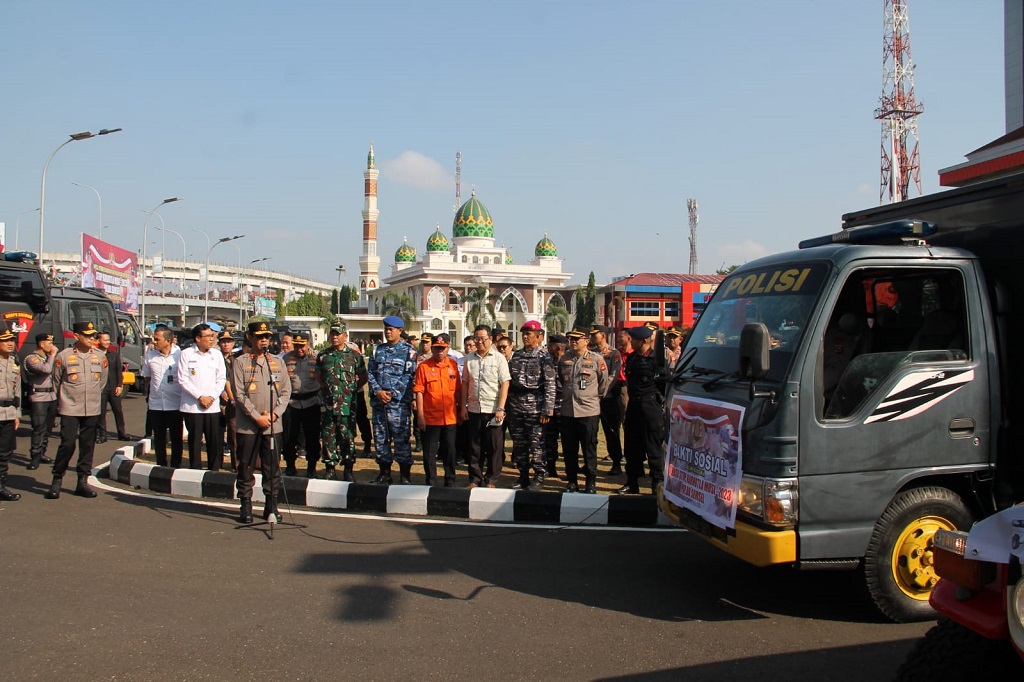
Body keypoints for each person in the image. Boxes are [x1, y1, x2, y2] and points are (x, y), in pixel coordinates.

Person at [232, 321, 291, 524]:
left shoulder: (277, 362)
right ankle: (246, 504)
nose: (264, 340)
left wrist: (274, 415)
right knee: (246, 465)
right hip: (249, 425)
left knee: (272, 467)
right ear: (250, 337)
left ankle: (271, 506)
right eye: (259, 336)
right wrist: (256, 416)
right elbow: (239, 394)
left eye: (266, 336)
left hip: (273, 425)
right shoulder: (240, 362)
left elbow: (285, 391)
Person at [45, 321, 107, 499]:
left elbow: (101, 383)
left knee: (87, 445)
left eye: (92, 335)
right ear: (76, 336)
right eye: (86, 335)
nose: (91, 339)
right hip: (70, 407)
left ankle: (82, 482)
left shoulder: (99, 357)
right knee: (68, 443)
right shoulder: (63, 357)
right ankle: (57, 479)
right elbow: (56, 382)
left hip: (92, 407)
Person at [367, 316, 418, 484]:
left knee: (401, 438)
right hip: (379, 403)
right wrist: (378, 391)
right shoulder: (377, 350)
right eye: (386, 329)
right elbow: (371, 373)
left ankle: (405, 475)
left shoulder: (408, 351)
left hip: (399, 404)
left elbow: (408, 375)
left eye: (391, 329)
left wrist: (392, 394)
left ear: (399, 331)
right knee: (380, 438)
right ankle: (384, 473)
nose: (388, 332)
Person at [506, 320, 556, 491]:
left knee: (536, 444)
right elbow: (510, 382)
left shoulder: (544, 357)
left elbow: (550, 384)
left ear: (539, 336)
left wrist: (547, 409)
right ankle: (523, 475)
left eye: (529, 334)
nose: (525, 337)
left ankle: (539, 475)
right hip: (517, 407)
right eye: (524, 334)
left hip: (536, 407)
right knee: (519, 444)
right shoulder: (517, 356)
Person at [560, 327, 610, 493]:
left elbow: (603, 384)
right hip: (568, 411)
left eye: (577, 339)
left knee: (589, 448)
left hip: (588, 411)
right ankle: (572, 481)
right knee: (569, 448)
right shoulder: (565, 359)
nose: (573, 342)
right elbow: (562, 380)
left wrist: (592, 397)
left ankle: (590, 482)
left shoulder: (597, 359)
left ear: (586, 341)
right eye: (571, 339)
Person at [461, 325, 510, 488]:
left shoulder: (499, 358)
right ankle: (475, 478)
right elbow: (465, 384)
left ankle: (491, 479)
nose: (479, 341)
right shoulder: (469, 359)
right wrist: (463, 407)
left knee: (494, 447)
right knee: (475, 446)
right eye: (477, 338)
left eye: (483, 338)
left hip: (493, 410)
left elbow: (505, 383)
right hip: (474, 408)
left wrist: (500, 408)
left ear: (490, 339)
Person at [316, 324, 367, 481]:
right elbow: (318, 377)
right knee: (328, 436)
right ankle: (330, 467)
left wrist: (350, 390)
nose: (334, 337)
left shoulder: (354, 356)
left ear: (345, 335)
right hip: (328, 404)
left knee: (348, 436)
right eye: (332, 334)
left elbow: (363, 377)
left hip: (347, 404)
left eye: (337, 334)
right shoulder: (323, 355)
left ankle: (348, 468)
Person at [618, 325, 665, 495]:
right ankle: (632, 482)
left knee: (653, 447)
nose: (632, 341)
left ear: (645, 340)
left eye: (635, 339)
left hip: (650, 406)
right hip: (634, 406)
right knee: (631, 447)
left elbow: (663, 384)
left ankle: (657, 484)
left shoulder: (656, 360)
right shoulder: (632, 358)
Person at [413, 334, 462, 486]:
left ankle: (450, 479)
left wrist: (460, 411)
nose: (439, 351)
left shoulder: (453, 365)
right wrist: (420, 416)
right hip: (431, 417)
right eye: (436, 348)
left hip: (450, 417)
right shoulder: (424, 367)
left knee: (450, 450)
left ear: (448, 348)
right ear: (432, 348)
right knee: (429, 452)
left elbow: (458, 390)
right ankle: (431, 479)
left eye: (442, 348)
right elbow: (419, 392)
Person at [177, 323, 226, 470]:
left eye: (213, 336)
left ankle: (214, 469)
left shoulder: (217, 355)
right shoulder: (186, 354)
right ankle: (195, 469)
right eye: (208, 336)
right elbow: (183, 379)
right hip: (193, 407)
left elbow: (221, 379)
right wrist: (200, 397)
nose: (212, 339)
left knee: (213, 441)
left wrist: (211, 397)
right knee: (194, 441)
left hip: (212, 406)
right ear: (198, 338)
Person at [142, 327, 183, 467]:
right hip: (156, 403)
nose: (154, 342)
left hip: (175, 403)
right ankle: (161, 464)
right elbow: (147, 377)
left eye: (158, 339)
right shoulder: (150, 356)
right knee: (159, 438)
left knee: (176, 438)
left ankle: (176, 464)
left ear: (169, 341)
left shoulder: (180, 355)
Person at [283, 331, 321, 477]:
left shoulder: (317, 358)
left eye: (302, 346)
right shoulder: (287, 358)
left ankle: (311, 467)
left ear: (308, 344)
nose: (299, 349)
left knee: (312, 437)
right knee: (289, 437)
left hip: (311, 402)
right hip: (292, 403)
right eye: (297, 345)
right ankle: (290, 466)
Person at [590, 325, 625, 476]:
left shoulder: (613, 353)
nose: (592, 337)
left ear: (603, 335)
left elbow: (613, 376)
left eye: (595, 334)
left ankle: (616, 463)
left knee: (611, 431)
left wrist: (601, 393)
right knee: (591, 432)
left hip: (608, 398)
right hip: (591, 399)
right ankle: (590, 464)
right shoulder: (590, 353)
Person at [23, 333, 57, 471]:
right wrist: (53, 356)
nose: (52, 346)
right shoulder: (31, 358)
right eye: (49, 343)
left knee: (48, 428)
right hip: (39, 396)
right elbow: (46, 369)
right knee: (39, 427)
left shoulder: (49, 358)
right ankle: (35, 456)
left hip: (52, 395)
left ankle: (42, 452)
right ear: (41, 344)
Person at [0, 329, 22, 501]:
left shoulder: (14, 363)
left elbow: (17, 391)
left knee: (5, 453)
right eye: (5, 340)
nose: (10, 343)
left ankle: (1, 486)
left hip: (8, 412)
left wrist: (17, 414)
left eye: (12, 340)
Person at [96, 331, 128, 443]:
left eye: (108, 340)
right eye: (105, 340)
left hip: (113, 387)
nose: (107, 342)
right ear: (98, 341)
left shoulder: (114, 354)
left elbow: (119, 371)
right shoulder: (95, 355)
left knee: (118, 411)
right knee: (101, 412)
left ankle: (122, 433)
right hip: (101, 388)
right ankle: (102, 435)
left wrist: (119, 385)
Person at [543, 333, 567, 478]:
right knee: (549, 439)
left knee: (568, 440)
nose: (548, 348)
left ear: (557, 347)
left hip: (567, 407)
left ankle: (571, 470)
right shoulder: (546, 361)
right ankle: (550, 468)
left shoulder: (570, 361)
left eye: (550, 346)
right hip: (550, 407)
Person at [216, 331, 238, 471]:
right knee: (217, 434)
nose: (226, 344)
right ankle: (217, 463)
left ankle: (236, 464)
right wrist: (220, 392)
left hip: (231, 401)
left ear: (233, 343)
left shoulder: (237, 359)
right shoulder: (214, 358)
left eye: (229, 341)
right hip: (217, 400)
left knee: (233, 434)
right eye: (223, 341)